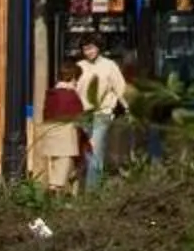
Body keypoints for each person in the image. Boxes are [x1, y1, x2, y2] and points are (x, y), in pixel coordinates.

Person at [75, 34, 131, 189]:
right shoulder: (79, 66)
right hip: (83, 115)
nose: (89, 52)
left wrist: (127, 107)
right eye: (85, 49)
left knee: (96, 152)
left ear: (98, 47)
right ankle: (88, 187)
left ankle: (92, 192)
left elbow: (120, 88)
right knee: (87, 153)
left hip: (103, 113)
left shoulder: (109, 66)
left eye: (91, 48)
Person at [35, 59, 85, 192]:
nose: (77, 82)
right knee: (64, 160)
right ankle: (56, 188)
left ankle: (53, 185)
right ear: (73, 78)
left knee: (54, 161)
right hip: (65, 131)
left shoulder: (51, 93)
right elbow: (78, 114)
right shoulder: (70, 95)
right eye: (77, 79)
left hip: (50, 130)